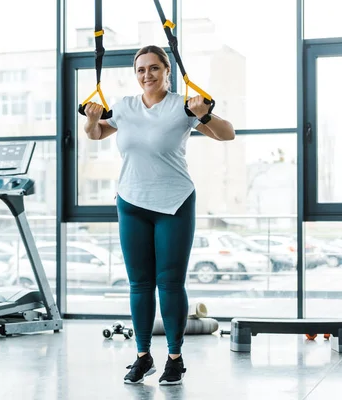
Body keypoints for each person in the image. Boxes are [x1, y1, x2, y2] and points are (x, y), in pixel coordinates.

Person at [83, 45, 235, 386]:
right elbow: (95, 134)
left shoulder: (183, 106)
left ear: (167, 71)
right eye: (140, 70)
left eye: (153, 68)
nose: (146, 75)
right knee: (139, 285)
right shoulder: (124, 107)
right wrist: (92, 119)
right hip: (131, 202)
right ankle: (142, 356)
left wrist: (204, 115)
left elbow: (228, 133)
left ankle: (175, 358)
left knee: (169, 283)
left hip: (174, 203)